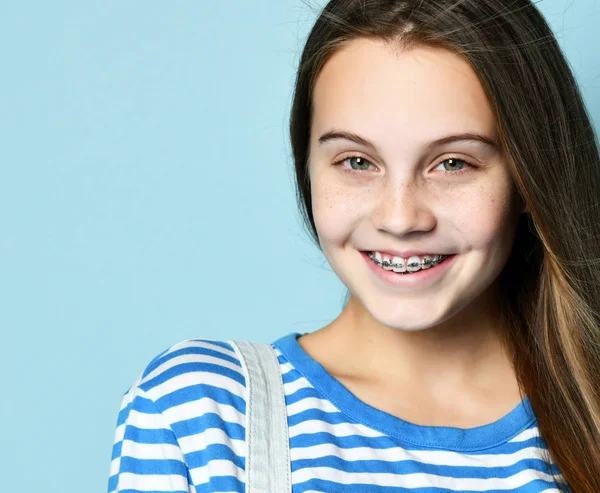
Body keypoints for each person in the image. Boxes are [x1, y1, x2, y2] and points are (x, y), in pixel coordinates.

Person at [107, 0, 600, 491]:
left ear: (529, 178)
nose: (400, 218)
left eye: (453, 163)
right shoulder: (202, 416)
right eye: (357, 162)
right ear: (308, 167)